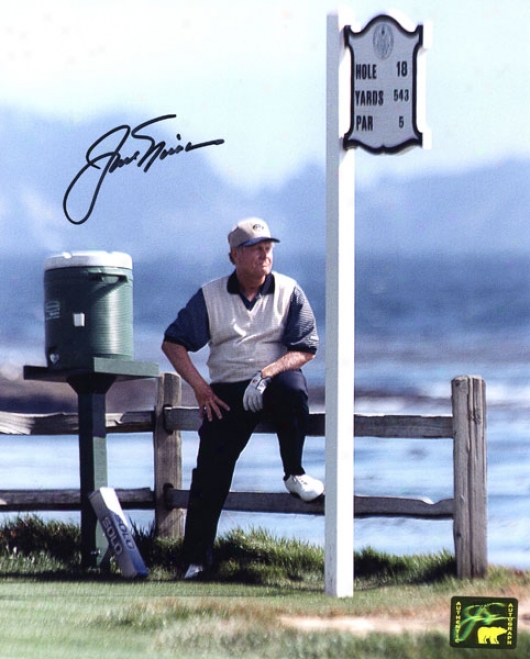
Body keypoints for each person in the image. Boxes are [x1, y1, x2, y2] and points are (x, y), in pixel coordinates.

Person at [161, 217, 324, 580]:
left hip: (273, 380)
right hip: (226, 390)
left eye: (268, 249)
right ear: (234, 255)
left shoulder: (289, 290)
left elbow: (306, 347)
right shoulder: (210, 295)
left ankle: (294, 472)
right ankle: (196, 561)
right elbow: (173, 343)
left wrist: (267, 373)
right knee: (210, 477)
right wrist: (201, 390)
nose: (264, 256)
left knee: (295, 391)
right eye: (254, 250)